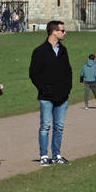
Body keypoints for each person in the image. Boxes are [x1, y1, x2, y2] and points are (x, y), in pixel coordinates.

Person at [28, 20, 71, 166]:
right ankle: (44, 155)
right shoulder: (40, 51)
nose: (65, 33)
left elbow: (68, 72)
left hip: (62, 96)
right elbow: (33, 74)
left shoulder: (63, 50)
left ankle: (57, 154)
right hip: (46, 96)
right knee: (45, 126)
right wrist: (44, 88)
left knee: (59, 126)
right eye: (62, 30)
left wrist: (66, 89)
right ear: (54, 32)